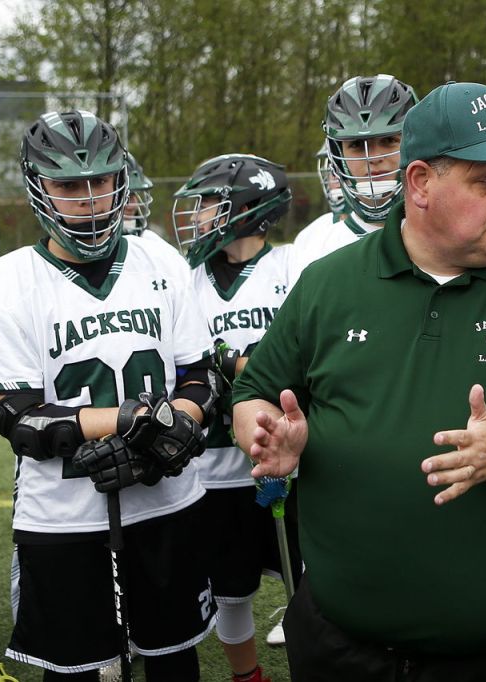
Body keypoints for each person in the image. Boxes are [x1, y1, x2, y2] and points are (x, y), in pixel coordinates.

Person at [231, 81, 486, 681]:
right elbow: (254, 394)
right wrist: (267, 436)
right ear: (420, 182)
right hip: (342, 650)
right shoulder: (329, 284)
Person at [0, 109, 219, 681]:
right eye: (68, 185)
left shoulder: (159, 257)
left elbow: (198, 375)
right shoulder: (7, 282)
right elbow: (19, 417)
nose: (90, 198)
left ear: (120, 181)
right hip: (66, 516)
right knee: (75, 670)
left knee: (175, 663)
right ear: (39, 189)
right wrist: (126, 422)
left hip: (168, 501)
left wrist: (176, 425)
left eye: (101, 181)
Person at [172, 153, 302, 680]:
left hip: (290, 455)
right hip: (216, 465)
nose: (199, 216)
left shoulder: (291, 267)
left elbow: (306, 355)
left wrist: (234, 362)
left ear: (247, 208)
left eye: (209, 204)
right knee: (230, 588)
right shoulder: (185, 282)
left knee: (312, 577)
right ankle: (248, 676)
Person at [289, 74, 417, 281]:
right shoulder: (314, 246)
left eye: (389, 140)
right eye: (356, 145)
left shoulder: (445, 236)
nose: (373, 157)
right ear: (336, 156)